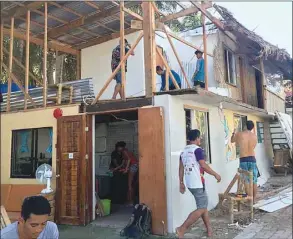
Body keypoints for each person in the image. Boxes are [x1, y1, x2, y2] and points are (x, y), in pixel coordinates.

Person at [176, 130, 221, 238]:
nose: (200, 139)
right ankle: (182, 229)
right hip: (197, 183)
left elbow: (181, 168)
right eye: (199, 138)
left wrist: (181, 182)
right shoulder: (197, 150)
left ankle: (209, 230)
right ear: (196, 138)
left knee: (203, 206)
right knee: (201, 208)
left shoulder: (184, 151)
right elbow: (203, 165)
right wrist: (215, 174)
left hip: (190, 183)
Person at [231, 120, 258, 203]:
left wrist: (233, 133)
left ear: (245, 126)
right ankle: (253, 200)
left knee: (246, 180)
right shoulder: (254, 136)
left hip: (243, 159)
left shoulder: (240, 134)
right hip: (252, 159)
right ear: (252, 128)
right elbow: (253, 146)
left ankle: (249, 200)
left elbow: (232, 140)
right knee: (254, 180)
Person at [116, 141, 138, 205]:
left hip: (133, 166)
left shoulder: (125, 152)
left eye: (118, 147)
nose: (117, 148)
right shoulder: (124, 152)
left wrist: (126, 169)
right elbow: (123, 163)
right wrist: (116, 168)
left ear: (121, 147)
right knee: (130, 184)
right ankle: (130, 200)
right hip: (133, 166)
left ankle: (131, 201)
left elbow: (129, 160)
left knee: (129, 185)